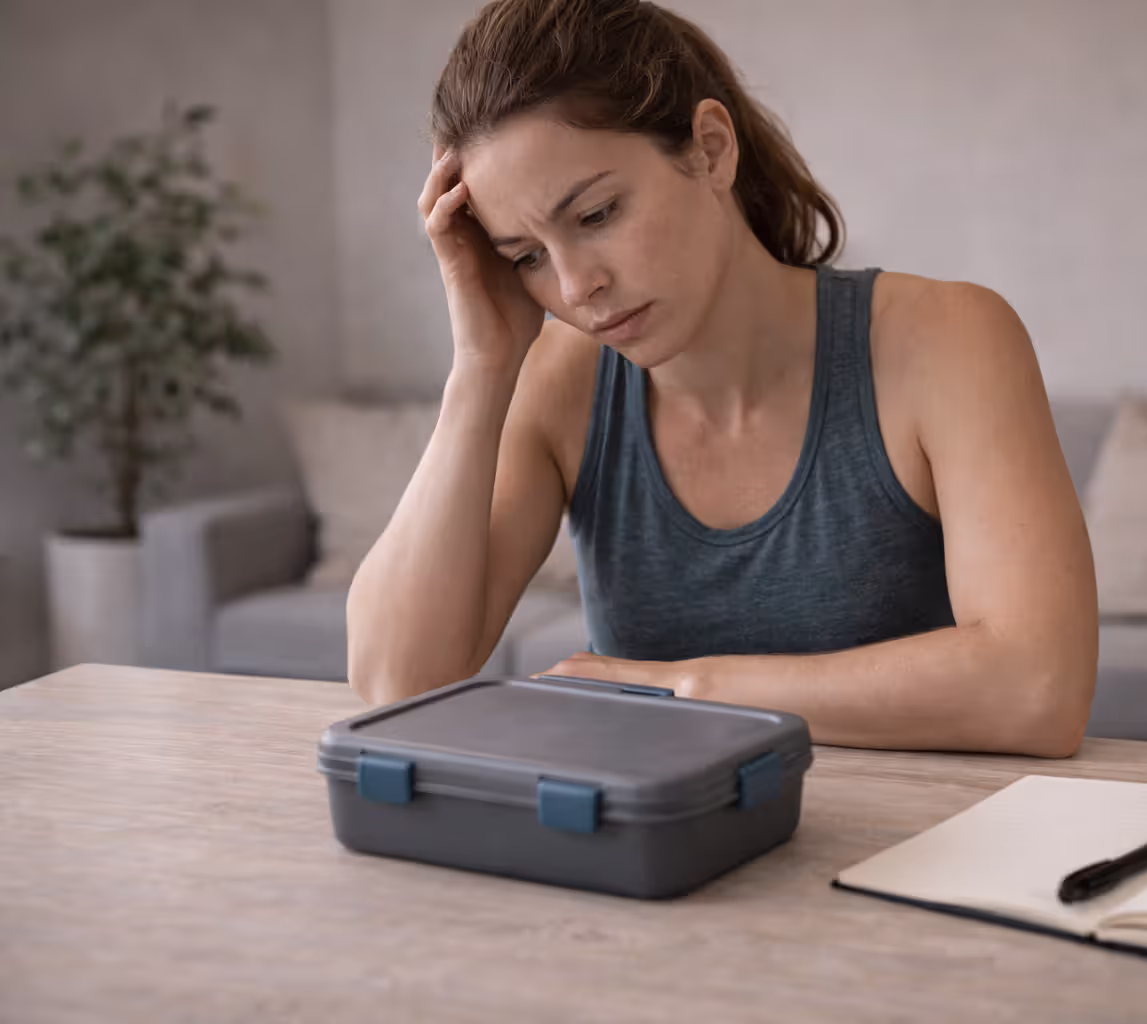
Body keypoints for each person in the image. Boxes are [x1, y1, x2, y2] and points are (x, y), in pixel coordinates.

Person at [346, 0, 1098, 756]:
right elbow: (398, 685)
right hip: (672, 860)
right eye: (527, 257)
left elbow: (1038, 689)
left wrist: (679, 689)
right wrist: (482, 368)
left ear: (710, 148)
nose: (576, 287)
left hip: (919, 847)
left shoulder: (946, 340)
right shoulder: (558, 387)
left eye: (599, 213)